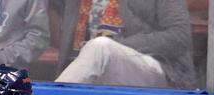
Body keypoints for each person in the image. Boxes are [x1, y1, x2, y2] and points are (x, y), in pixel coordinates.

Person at [54, 0, 196, 89]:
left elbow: (179, 36)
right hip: (95, 74)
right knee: (98, 48)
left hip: (160, 72)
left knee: (100, 46)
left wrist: (119, 46)